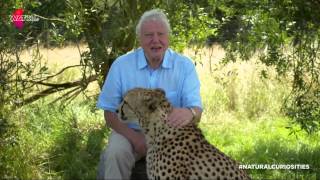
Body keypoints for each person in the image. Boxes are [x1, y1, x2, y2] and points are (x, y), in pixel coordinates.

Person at [96, 9, 202, 180]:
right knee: (115, 153)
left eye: (160, 34)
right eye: (148, 35)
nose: (155, 40)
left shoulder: (184, 66)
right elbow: (109, 113)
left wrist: (190, 112)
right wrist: (136, 139)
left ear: (168, 37)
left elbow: (197, 109)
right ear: (139, 39)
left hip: (171, 136)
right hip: (129, 133)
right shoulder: (121, 65)